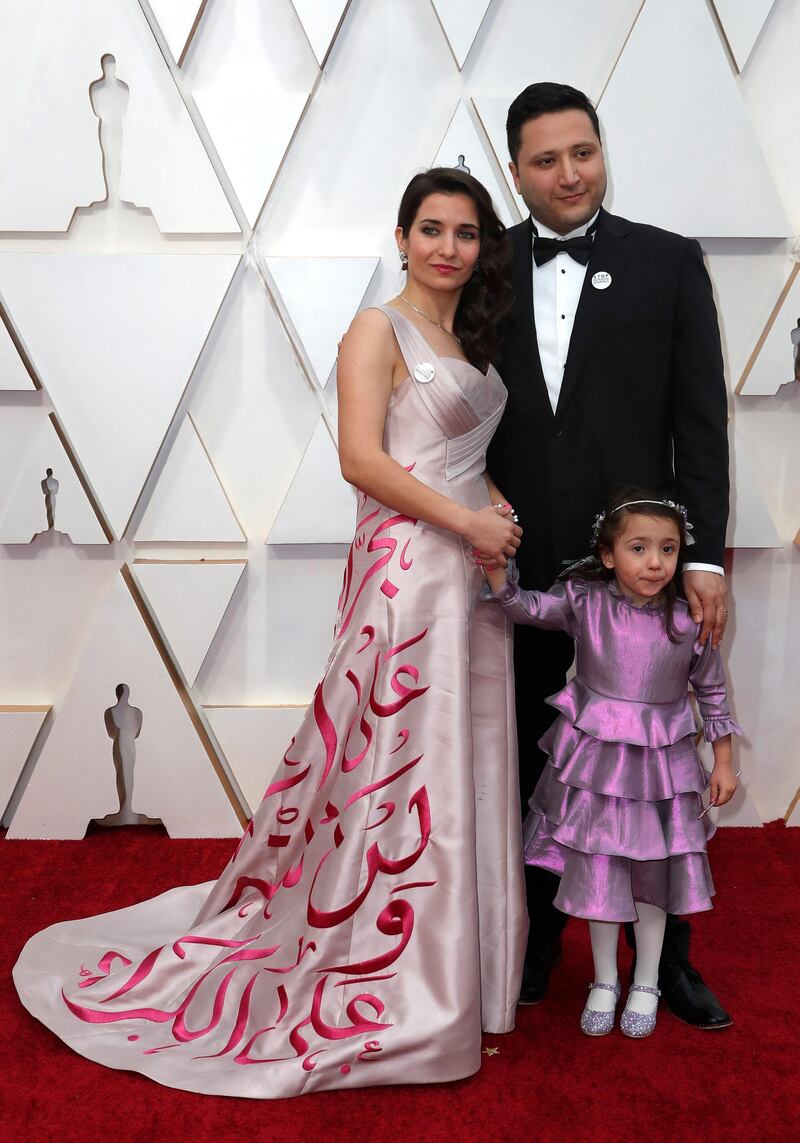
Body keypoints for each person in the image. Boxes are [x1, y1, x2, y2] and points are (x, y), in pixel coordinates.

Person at [13, 168, 527, 1098]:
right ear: (401, 235)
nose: (448, 247)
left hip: (469, 576)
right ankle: (394, 976)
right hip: (408, 575)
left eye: (465, 233)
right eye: (431, 229)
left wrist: (492, 511)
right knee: (399, 768)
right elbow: (361, 460)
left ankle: (459, 978)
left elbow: (456, 456)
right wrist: (465, 522)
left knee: (456, 767)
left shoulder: (464, 335)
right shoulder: (378, 329)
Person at [486, 82, 733, 1028]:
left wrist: (701, 559)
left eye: (581, 152)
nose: (568, 173)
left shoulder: (670, 264)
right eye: (545, 160)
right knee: (531, 761)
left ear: (602, 150)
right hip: (521, 569)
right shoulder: (485, 263)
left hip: (645, 577)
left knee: (657, 774)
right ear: (516, 171)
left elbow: (699, 427)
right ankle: (536, 939)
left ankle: (666, 961)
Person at [483, 492, 741, 1037]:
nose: (655, 563)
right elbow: (526, 608)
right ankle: (604, 978)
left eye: (668, 550)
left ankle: (646, 978)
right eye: (639, 548)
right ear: (607, 555)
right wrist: (498, 575)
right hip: (596, 766)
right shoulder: (585, 601)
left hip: (660, 772)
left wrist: (723, 762)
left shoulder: (687, 620)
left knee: (652, 875)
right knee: (600, 869)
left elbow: (712, 692)